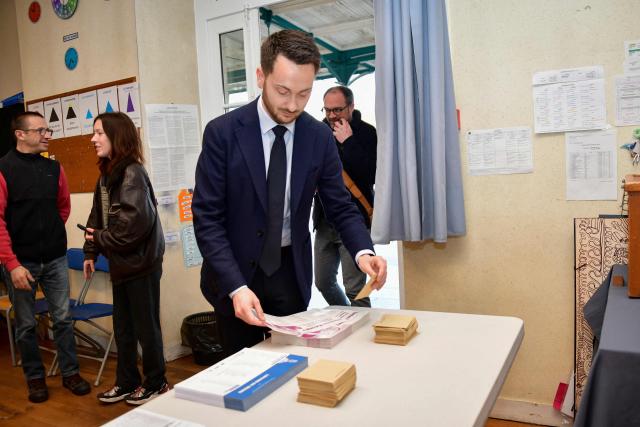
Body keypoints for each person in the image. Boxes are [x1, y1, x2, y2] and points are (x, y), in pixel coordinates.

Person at [193, 29, 387, 357]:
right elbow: (207, 218)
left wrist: (363, 253)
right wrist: (236, 287)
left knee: (289, 370)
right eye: (283, 91)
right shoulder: (222, 134)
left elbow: (339, 205)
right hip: (234, 274)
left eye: (304, 93)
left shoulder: (318, 137)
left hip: (289, 273)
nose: (292, 105)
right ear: (260, 76)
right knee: (241, 375)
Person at [0, 111, 91, 403]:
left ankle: (70, 373)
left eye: (47, 129)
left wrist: (49, 233)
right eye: (40, 130)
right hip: (20, 264)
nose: (47, 135)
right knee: (26, 324)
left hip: (54, 259)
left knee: (63, 319)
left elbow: (61, 209)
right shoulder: (3, 169)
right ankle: (35, 379)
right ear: (20, 134)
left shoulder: (54, 169)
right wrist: (12, 264)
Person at [82, 112, 168, 405]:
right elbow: (98, 215)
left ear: (117, 137)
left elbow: (133, 228)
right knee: (124, 328)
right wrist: (90, 251)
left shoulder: (132, 173)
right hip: (121, 263)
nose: (93, 139)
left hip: (140, 264)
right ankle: (127, 381)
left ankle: (157, 382)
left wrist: (99, 240)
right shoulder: (107, 173)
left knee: (146, 328)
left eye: (99, 133)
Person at [313, 86, 377, 307]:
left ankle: (358, 335)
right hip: (323, 221)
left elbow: (371, 175)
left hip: (355, 220)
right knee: (323, 282)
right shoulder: (318, 134)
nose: (331, 115)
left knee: (356, 290)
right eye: (327, 110)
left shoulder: (367, 133)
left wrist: (348, 142)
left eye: (338, 109)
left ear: (351, 106)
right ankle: (343, 319)